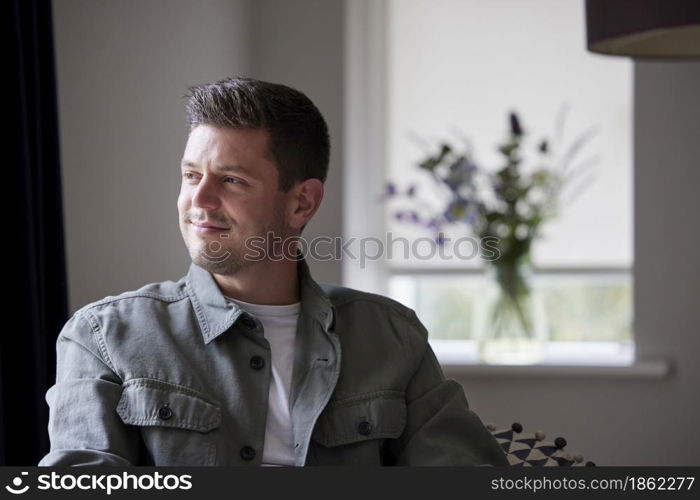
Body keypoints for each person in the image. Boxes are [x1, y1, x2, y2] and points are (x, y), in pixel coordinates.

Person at [38, 76, 508, 466]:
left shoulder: (390, 335)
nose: (198, 202)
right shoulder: (102, 335)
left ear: (301, 202)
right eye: (190, 176)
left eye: (231, 180)